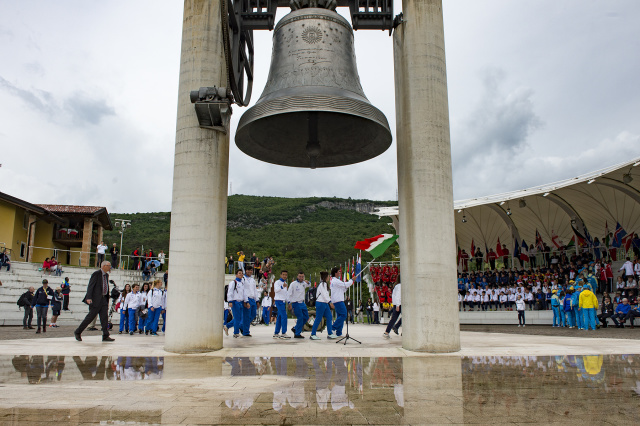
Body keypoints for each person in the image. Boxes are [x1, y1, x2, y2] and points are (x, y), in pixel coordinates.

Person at [74, 261, 115, 342]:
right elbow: (91, 286)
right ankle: (78, 332)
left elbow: (105, 286)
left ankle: (105, 335)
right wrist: (88, 297)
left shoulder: (106, 275)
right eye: (108, 265)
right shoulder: (96, 274)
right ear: (103, 266)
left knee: (104, 318)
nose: (110, 267)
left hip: (104, 299)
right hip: (96, 300)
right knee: (90, 317)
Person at [310, 271, 336, 340]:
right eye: (328, 276)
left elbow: (326, 295)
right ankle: (313, 334)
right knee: (318, 318)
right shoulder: (322, 284)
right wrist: (330, 302)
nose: (329, 278)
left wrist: (329, 300)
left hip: (324, 303)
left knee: (329, 317)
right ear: (325, 277)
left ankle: (330, 333)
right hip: (320, 303)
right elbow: (324, 294)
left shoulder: (324, 284)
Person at [330, 266, 353, 337]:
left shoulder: (335, 281)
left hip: (337, 300)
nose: (340, 273)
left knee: (340, 316)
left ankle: (338, 332)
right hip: (338, 300)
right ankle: (333, 328)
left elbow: (343, 289)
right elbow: (345, 284)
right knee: (343, 315)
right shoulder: (335, 281)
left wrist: (346, 286)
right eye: (339, 271)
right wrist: (352, 280)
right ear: (335, 273)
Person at [288, 271, 310, 339]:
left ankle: (295, 328)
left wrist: (307, 282)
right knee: (300, 318)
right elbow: (289, 294)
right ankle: (297, 333)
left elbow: (309, 285)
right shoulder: (293, 284)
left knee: (306, 317)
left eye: (302, 276)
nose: (301, 278)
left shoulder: (304, 283)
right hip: (296, 303)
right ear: (297, 276)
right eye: (300, 276)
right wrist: (289, 303)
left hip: (302, 303)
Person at [227, 270, 247, 338]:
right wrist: (230, 301)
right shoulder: (233, 282)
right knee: (237, 318)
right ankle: (236, 332)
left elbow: (244, 293)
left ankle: (227, 326)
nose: (241, 274)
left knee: (241, 318)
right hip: (235, 302)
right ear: (236, 275)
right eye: (239, 273)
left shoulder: (242, 283)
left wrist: (246, 301)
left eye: (242, 273)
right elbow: (230, 292)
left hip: (241, 302)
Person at [272, 271, 290, 339]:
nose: (284, 276)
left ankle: (276, 333)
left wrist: (288, 302)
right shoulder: (277, 282)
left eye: (286, 275)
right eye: (283, 275)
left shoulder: (285, 283)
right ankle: (283, 333)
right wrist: (282, 286)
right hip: (278, 301)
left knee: (279, 317)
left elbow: (286, 294)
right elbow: (276, 290)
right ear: (280, 275)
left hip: (283, 301)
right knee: (284, 316)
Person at [242, 266, 258, 337]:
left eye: (251, 270)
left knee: (253, 315)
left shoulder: (252, 280)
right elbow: (243, 290)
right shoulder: (243, 279)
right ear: (245, 271)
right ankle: (246, 331)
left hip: (252, 298)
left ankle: (241, 326)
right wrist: (245, 300)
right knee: (247, 316)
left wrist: (257, 300)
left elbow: (255, 290)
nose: (250, 272)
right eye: (248, 270)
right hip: (247, 298)